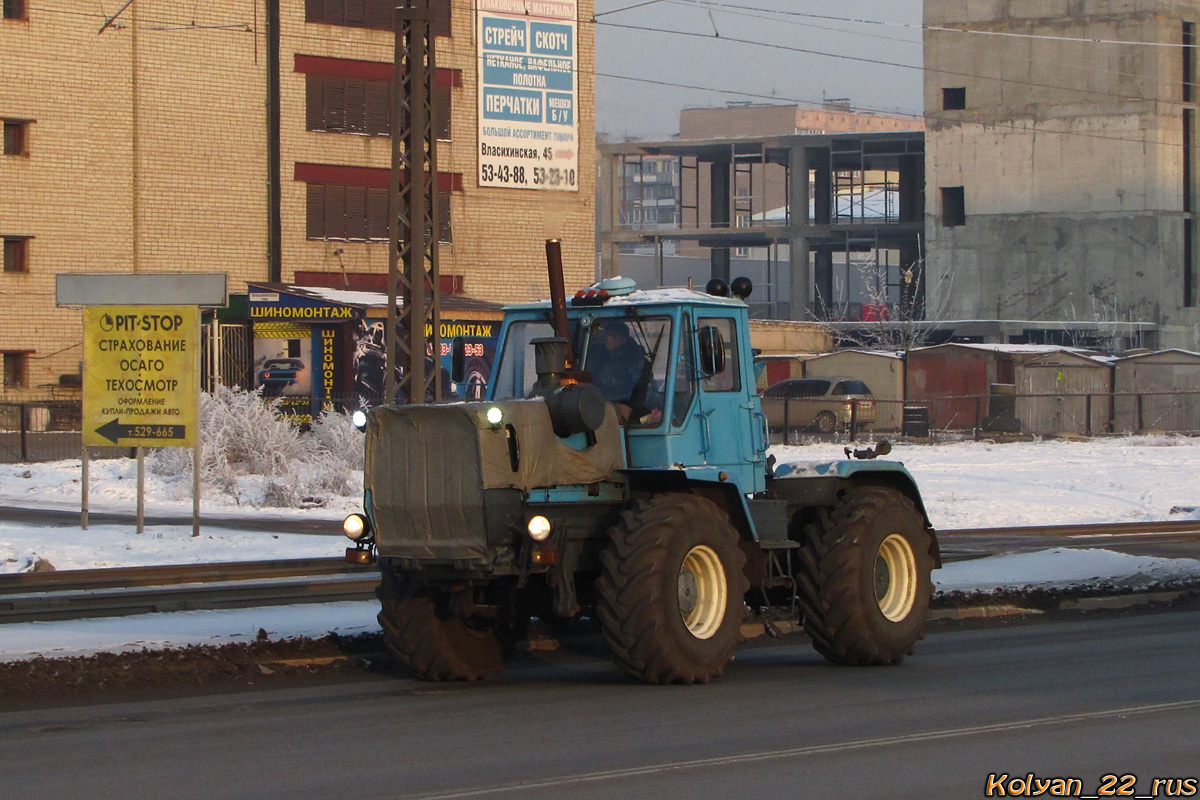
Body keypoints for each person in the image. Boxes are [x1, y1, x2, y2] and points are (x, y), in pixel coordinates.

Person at [589, 320, 662, 424]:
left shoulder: (637, 361)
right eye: (607, 335)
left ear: (624, 339)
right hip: (596, 411)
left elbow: (644, 392)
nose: (608, 339)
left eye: (614, 336)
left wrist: (628, 408)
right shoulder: (595, 359)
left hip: (629, 416)